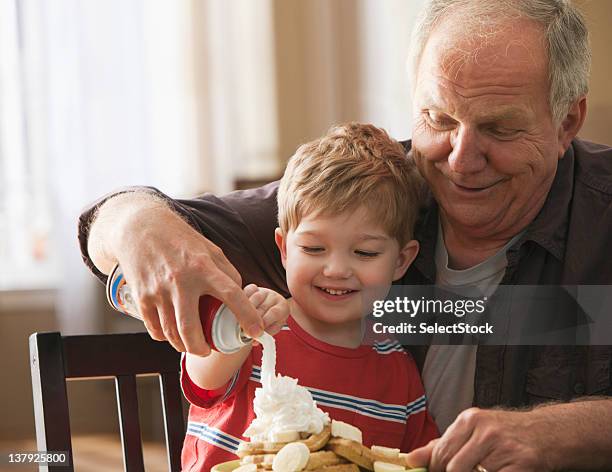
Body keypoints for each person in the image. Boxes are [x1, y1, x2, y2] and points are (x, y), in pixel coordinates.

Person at [80, 0, 612, 470]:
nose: (460, 159)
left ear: (568, 121)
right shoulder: (366, 199)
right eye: (438, 117)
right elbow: (111, 226)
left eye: (499, 127)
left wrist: (566, 433)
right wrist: (136, 225)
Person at [178, 123, 438, 470]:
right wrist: (241, 329)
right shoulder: (255, 330)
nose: (336, 269)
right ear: (284, 250)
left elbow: (421, 461)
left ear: (401, 261)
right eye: (314, 248)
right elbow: (203, 379)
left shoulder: (398, 373)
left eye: (365, 253)